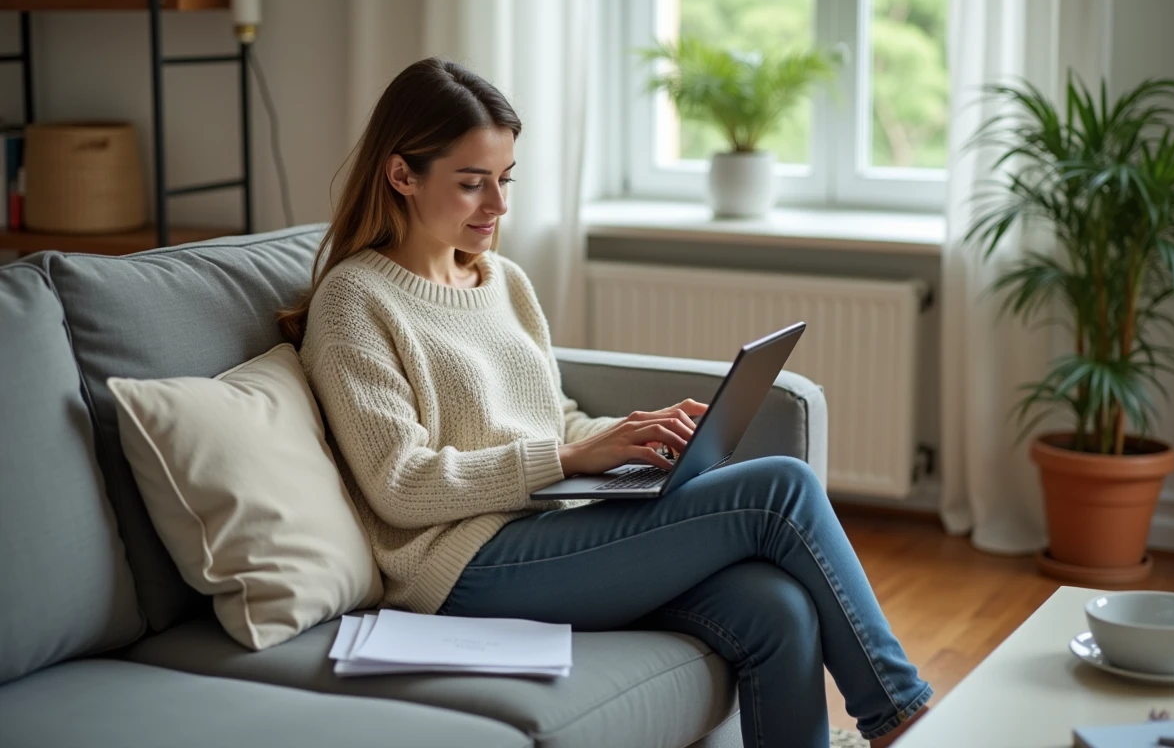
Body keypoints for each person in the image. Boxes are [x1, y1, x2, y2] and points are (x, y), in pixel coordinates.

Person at [278, 57, 932, 748]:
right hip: (460, 568)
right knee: (781, 489)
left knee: (776, 609)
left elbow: (550, 417)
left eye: (505, 181)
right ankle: (904, 718)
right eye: (472, 185)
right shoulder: (356, 302)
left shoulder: (504, 280)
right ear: (402, 174)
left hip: (545, 531)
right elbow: (399, 486)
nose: (498, 207)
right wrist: (565, 457)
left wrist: (627, 440)